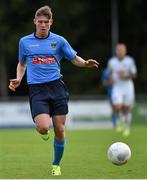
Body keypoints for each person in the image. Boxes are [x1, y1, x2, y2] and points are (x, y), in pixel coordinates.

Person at [9, 5, 99, 176]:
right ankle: (44, 131)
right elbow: (22, 63)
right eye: (40, 22)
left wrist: (85, 63)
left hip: (57, 87)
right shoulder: (25, 42)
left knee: (60, 129)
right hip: (37, 90)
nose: (43, 25)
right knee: (43, 127)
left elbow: (74, 58)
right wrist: (19, 79)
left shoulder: (59, 41)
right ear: (35, 22)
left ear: (51, 23)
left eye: (46, 22)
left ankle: (56, 164)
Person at [107, 43, 137, 137]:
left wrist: (125, 76)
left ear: (125, 51)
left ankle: (127, 128)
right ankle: (121, 121)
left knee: (127, 108)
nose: (120, 51)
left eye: (122, 50)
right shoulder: (112, 61)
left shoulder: (130, 61)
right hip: (117, 87)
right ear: (116, 51)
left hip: (128, 86)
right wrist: (110, 79)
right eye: (118, 50)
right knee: (117, 106)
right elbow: (109, 73)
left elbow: (134, 75)